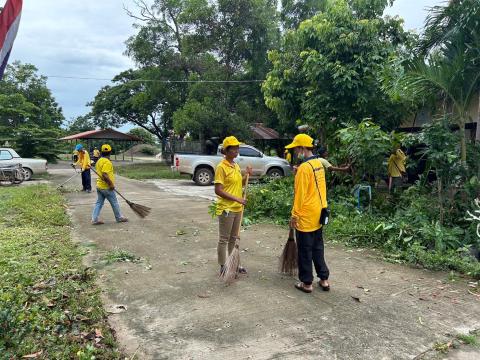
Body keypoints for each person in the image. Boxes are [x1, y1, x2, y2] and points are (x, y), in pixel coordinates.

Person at [286, 134, 330, 293]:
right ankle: (324, 279)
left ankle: (307, 283)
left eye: (296, 148)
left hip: (305, 215)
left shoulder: (304, 168)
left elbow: (300, 194)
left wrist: (294, 215)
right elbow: (320, 188)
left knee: (305, 250)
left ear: (302, 148)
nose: (295, 151)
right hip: (319, 212)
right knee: (318, 247)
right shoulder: (318, 164)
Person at [214, 136, 252, 275]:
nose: (237, 150)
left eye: (237, 148)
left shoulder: (235, 165)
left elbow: (238, 184)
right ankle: (223, 266)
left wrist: (246, 176)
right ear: (226, 151)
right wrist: (237, 198)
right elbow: (218, 190)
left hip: (237, 208)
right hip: (226, 209)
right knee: (224, 239)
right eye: (234, 148)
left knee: (234, 239)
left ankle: (233, 264)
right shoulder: (221, 167)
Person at [91, 144, 128, 225]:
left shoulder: (99, 160)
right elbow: (104, 174)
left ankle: (94, 219)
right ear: (110, 152)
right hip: (106, 187)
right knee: (114, 202)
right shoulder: (107, 162)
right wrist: (111, 184)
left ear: (101, 152)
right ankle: (119, 218)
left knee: (99, 203)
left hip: (99, 186)